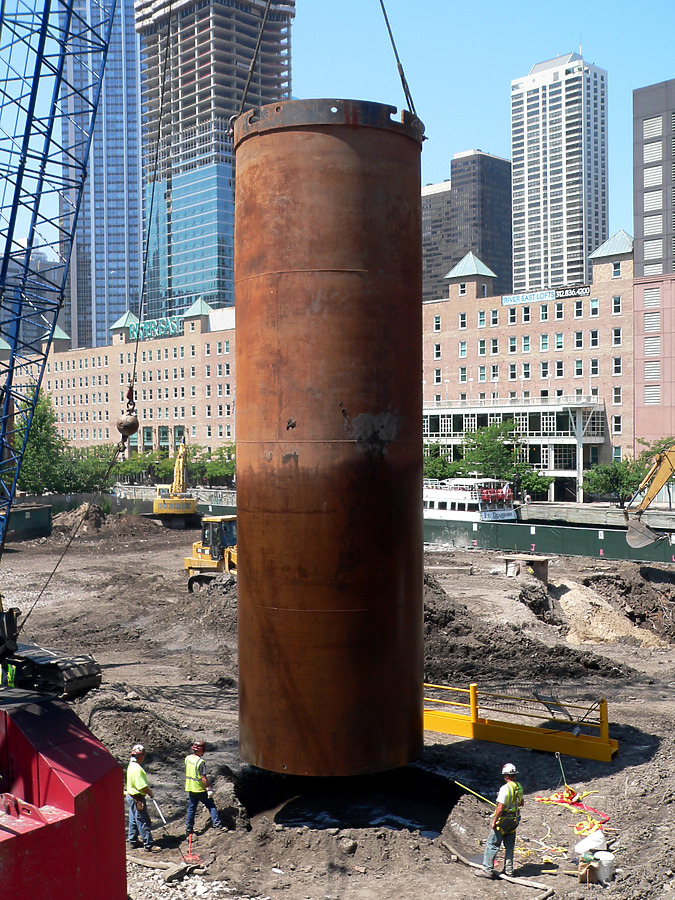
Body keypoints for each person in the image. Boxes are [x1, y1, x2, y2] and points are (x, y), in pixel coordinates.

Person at [475, 762, 524, 880]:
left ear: (506, 776)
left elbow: (500, 809)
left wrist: (494, 821)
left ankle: (487, 870)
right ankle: (509, 870)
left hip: (504, 820)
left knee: (492, 844)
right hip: (515, 819)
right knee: (509, 845)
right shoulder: (519, 787)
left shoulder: (504, 789)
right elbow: (521, 803)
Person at [125, 744, 161, 852]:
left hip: (131, 797)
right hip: (137, 799)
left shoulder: (131, 766)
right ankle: (148, 844)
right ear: (140, 756)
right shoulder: (137, 769)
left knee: (133, 820)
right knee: (143, 821)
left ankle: (133, 840)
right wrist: (151, 793)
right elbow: (142, 786)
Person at [185, 740, 222, 837]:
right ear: (199, 751)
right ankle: (217, 826)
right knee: (211, 806)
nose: (204, 752)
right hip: (199, 789)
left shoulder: (188, 758)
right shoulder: (200, 762)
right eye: (203, 751)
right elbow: (203, 777)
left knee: (191, 809)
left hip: (190, 787)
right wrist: (208, 789)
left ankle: (189, 829)